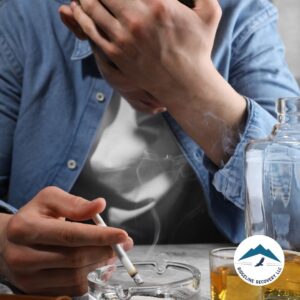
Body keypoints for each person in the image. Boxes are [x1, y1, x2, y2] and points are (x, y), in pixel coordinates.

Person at [0, 0, 299, 296]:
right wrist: (3, 246)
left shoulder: (244, 17)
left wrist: (191, 84)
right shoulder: (26, 18)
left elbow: (294, 215)